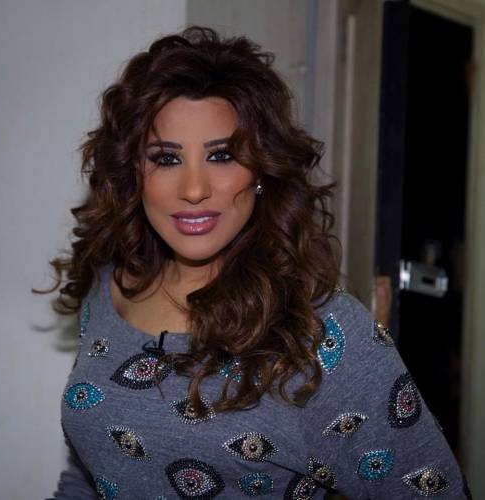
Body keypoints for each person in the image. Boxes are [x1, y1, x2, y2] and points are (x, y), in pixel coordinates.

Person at [43, 26, 471, 499]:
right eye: (166, 159)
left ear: (263, 170)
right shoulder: (110, 290)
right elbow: (85, 474)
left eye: (222, 155)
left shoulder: (322, 333)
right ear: (133, 173)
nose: (194, 189)